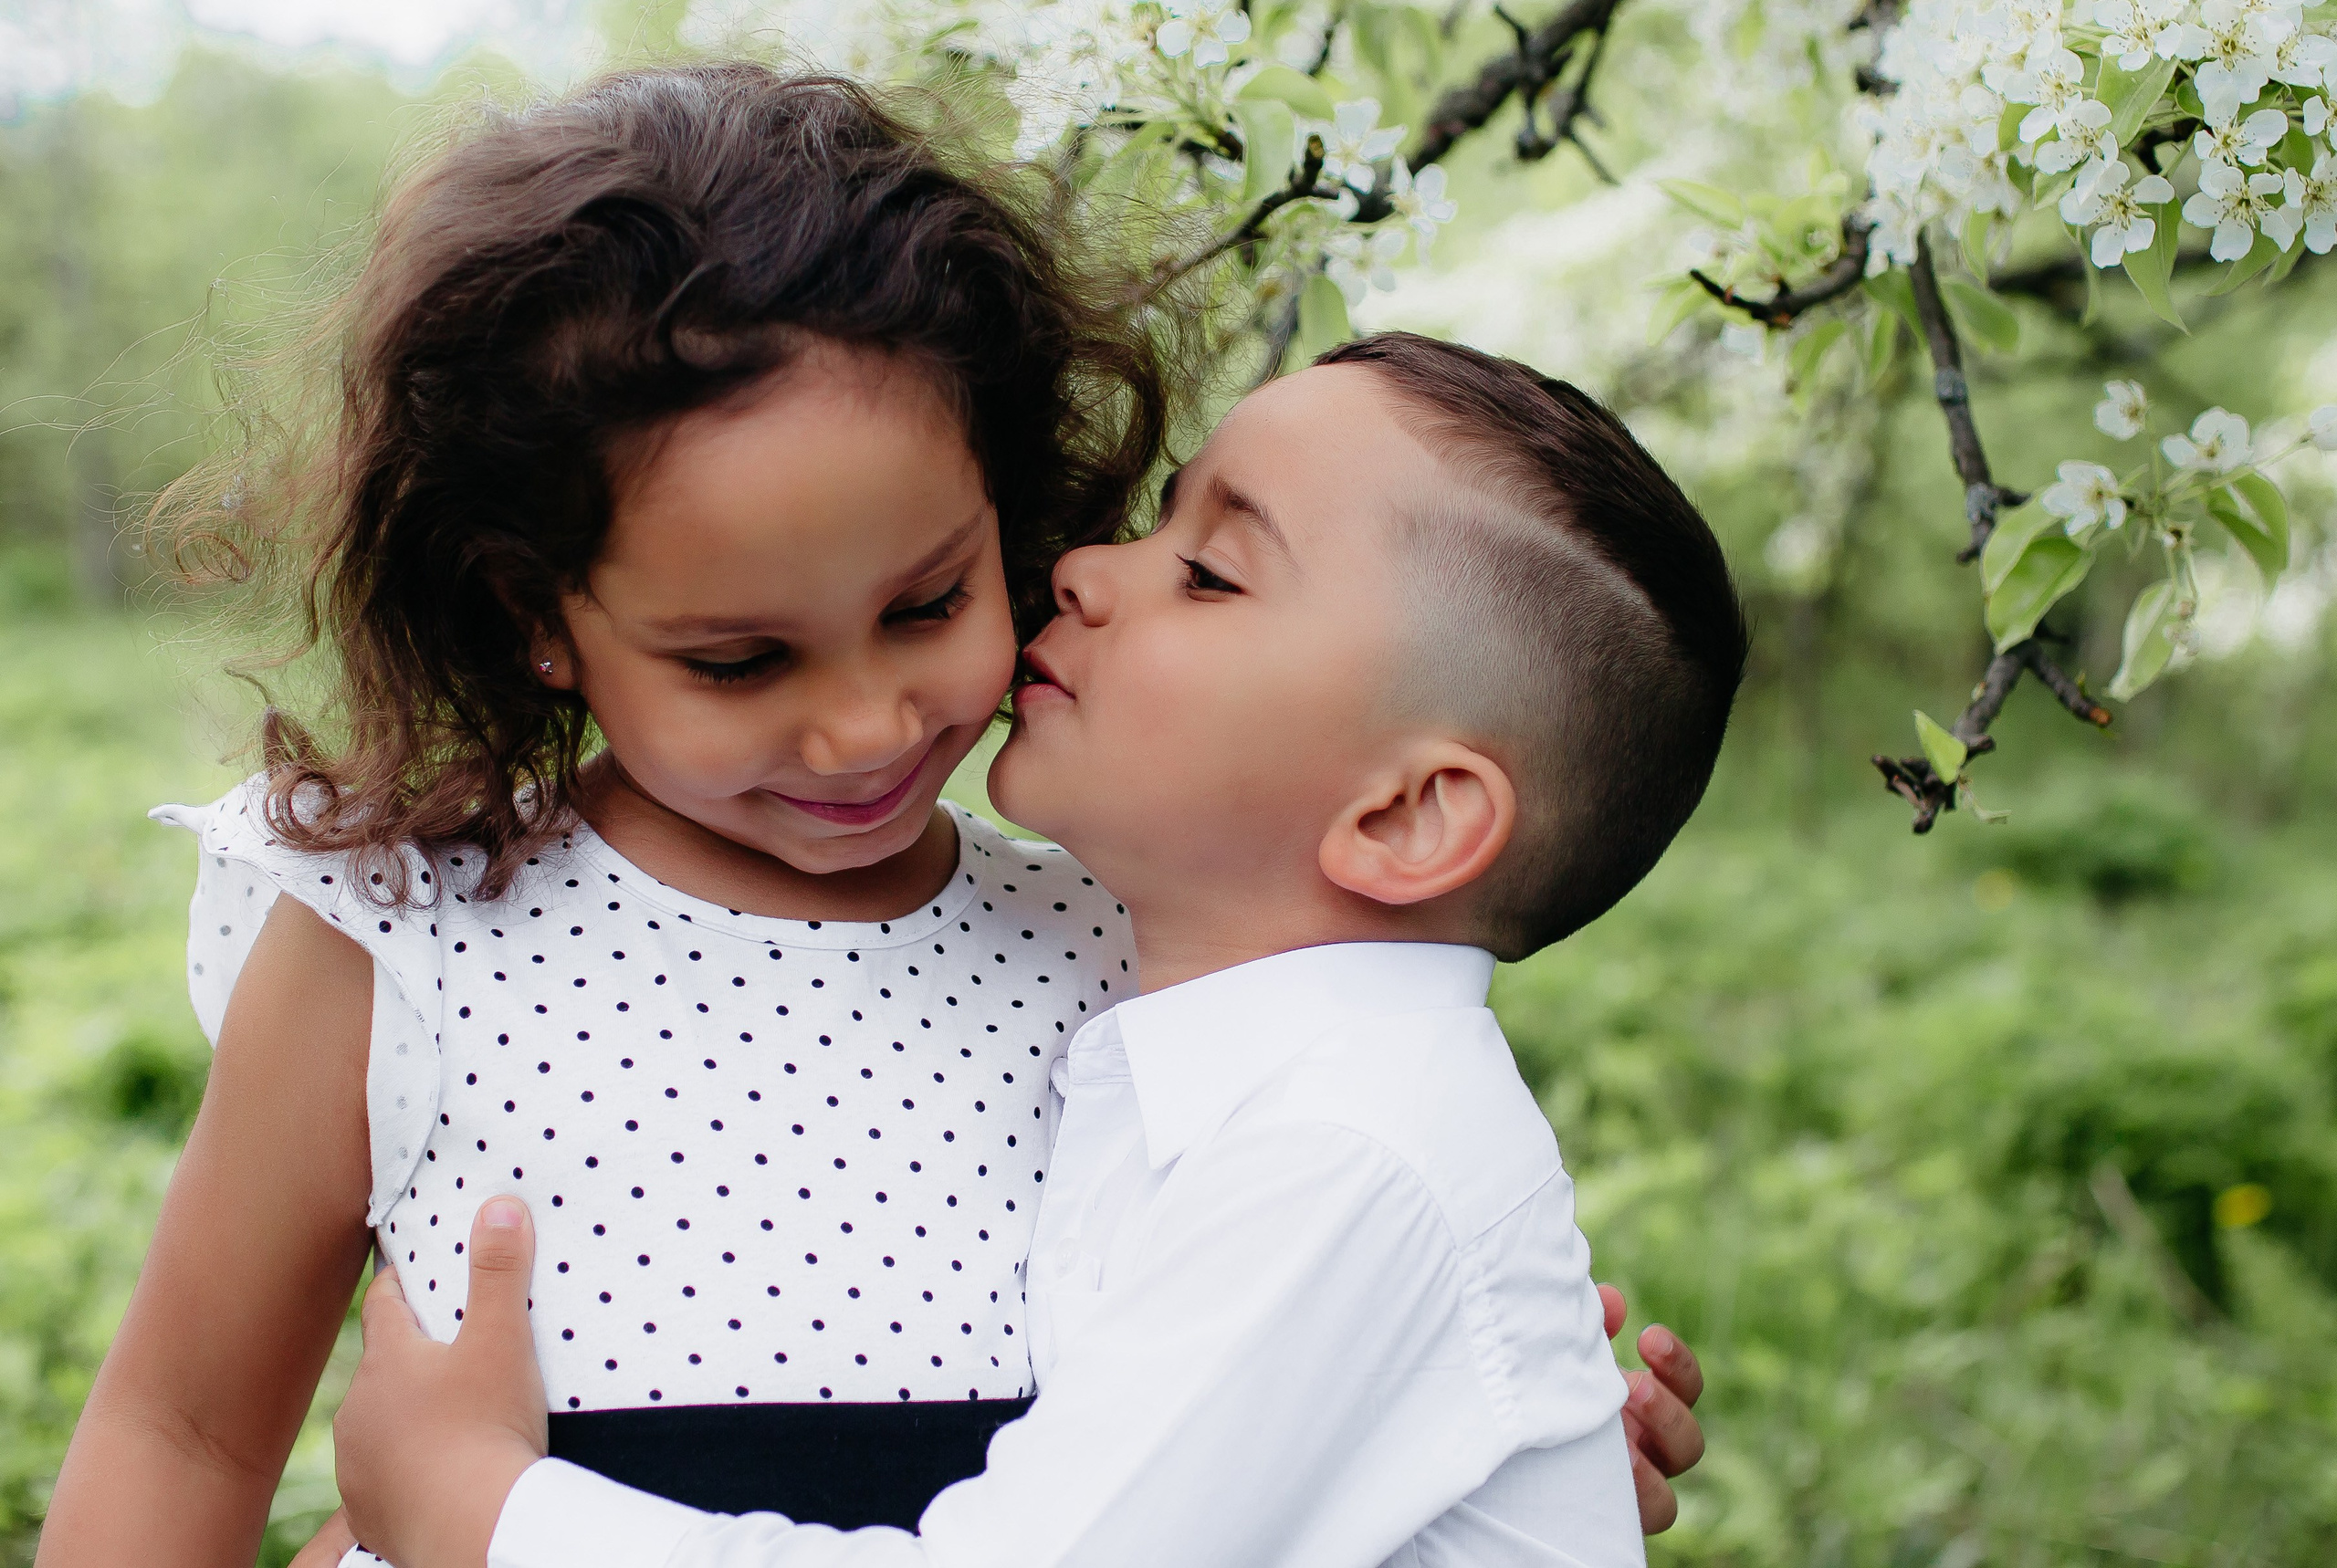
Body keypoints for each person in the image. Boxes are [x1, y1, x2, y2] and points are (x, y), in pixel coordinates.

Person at [32, 66, 1702, 1568]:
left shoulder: (1130, 953)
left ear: (1001, 506)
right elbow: (182, 1427)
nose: (863, 725)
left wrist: (1456, 1444)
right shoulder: (405, 929)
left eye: (930, 603)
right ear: (539, 610)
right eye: (741, 655)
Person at [326, 329, 1746, 1568]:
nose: (1081, 567)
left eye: (1210, 573)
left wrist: (481, 1511)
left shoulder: (1349, 1152)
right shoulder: (1193, 1062)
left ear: (1408, 814)